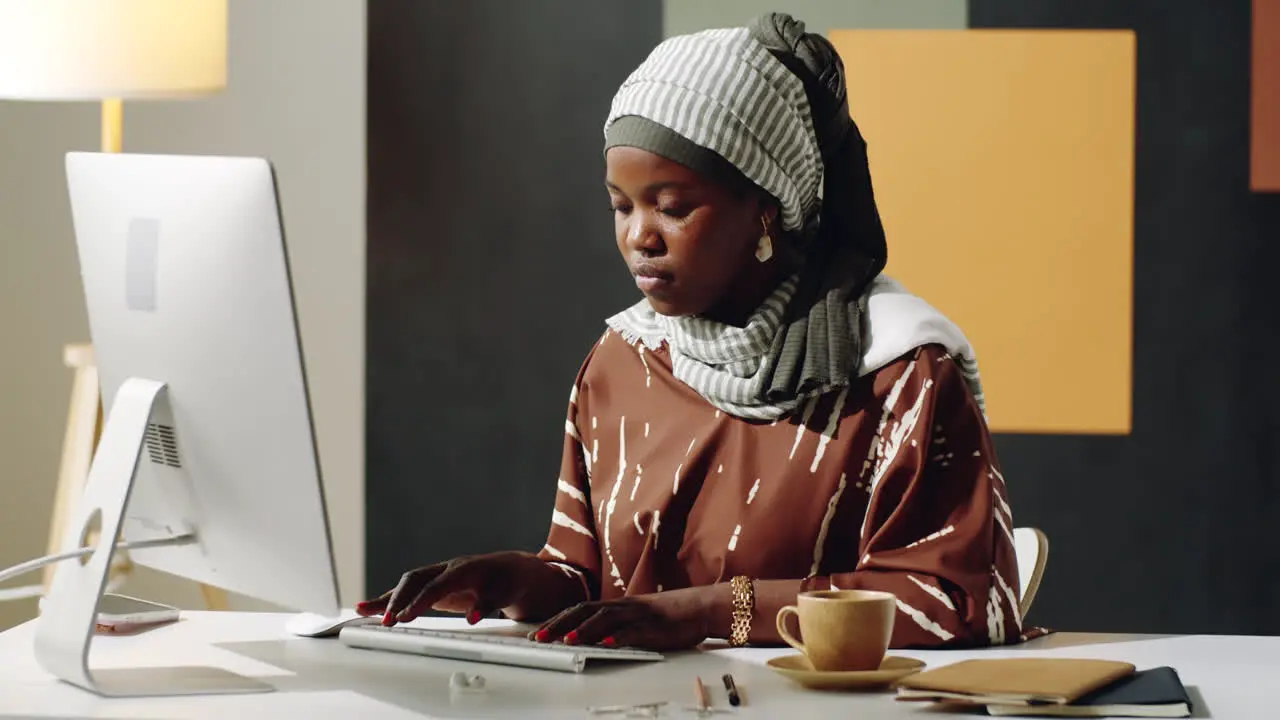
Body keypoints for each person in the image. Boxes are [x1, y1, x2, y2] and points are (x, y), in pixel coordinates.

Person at [357, 13, 1039, 651]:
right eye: (619, 206)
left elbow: (949, 602)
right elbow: (593, 582)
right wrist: (508, 581)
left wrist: (711, 611)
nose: (637, 237)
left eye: (672, 207)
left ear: (766, 214)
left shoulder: (894, 374)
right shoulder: (621, 364)